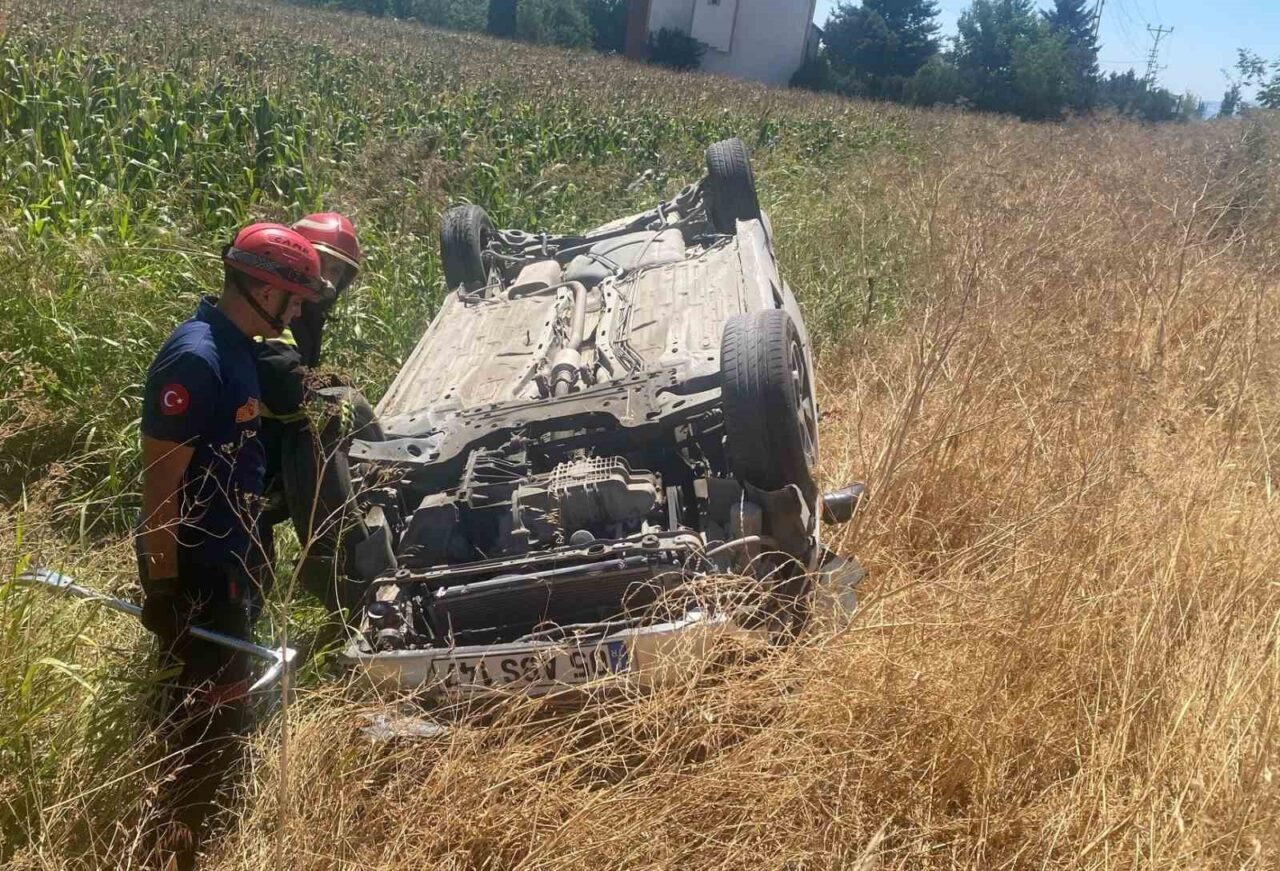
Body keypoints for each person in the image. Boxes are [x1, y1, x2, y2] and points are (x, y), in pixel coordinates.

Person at [135, 222, 327, 869]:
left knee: (225, 715)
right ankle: (172, 846)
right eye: (294, 299)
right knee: (199, 726)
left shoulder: (241, 347)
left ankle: (201, 833)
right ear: (264, 290)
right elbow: (160, 484)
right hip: (198, 573)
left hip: (233, 562)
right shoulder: (197, 359)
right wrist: (164, 586)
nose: (297, 312)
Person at [253, 212, 389, 621]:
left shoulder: (305, 313)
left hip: (265, 457)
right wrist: (327, 390)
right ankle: (341, 573)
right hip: (240, 466)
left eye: (337, 271)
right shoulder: (272, 312)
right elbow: (286, 388)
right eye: (321, 263)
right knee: (238, 589)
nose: (327, 279)